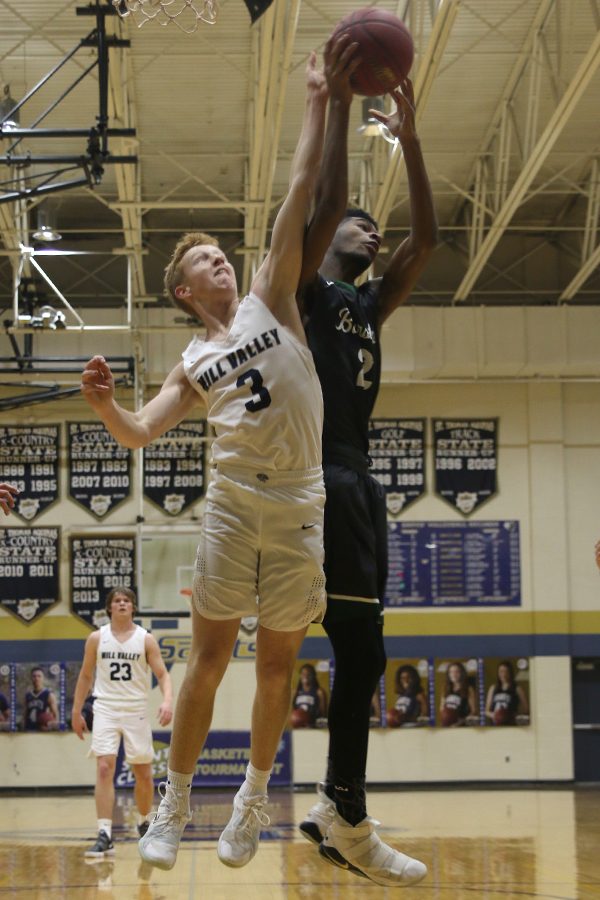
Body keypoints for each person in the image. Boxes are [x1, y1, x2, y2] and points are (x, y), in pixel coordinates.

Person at [80, 44, 346, 872]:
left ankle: (252, 799)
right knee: (207, 660)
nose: (218, 259)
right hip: (234, 501)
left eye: (219, 252)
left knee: (278, 665)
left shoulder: (274, 293)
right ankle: (175, 802)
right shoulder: (193, 362)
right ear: (183, 292)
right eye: (202, 260)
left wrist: (319, 98)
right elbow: (140, 433)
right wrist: (104, 407)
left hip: (301, 498)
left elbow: (300, 191)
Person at [295, 64, 436, 886]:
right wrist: (341, 107)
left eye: (373, 227)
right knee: (339, 646)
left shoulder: (368, 304)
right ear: (331, 236)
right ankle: (328, 803)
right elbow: (324, 201)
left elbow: (428, 243)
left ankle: (339, 802)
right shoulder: (311, 290)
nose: (372, 231)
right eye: (361, 223)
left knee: (365, 653)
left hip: (358, 481)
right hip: (320, 477)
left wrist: (412, 144)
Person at [71, 587, 173, 858]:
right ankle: (104, 833)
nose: (122, 603)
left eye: (127, 600)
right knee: (104, 767)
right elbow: (84, 676)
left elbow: (163, 674)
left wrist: (167, 701)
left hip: (136, 709)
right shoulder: (96, 638)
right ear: (110, 608)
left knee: (143, 773)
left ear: (133, 607)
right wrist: (76, 710)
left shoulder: (145, 639)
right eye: (117, 600)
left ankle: (143, 823)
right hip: (105, 707)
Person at [485, 660, 529, 726]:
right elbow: (486, 711)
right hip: (495, 724)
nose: (503, 674)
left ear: (510, 673)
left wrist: (511, 715)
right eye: (501, 672)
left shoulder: (517, 688)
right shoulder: (493, 688)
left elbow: (526, 709)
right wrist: (495, 715)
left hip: (511, 724)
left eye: (506, 671)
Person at [439, 661, 477, 726]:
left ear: (462, 673)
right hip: (447, 725)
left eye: (457, 672)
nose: (454, 674)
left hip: (462, 725)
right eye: (451, 672)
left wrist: (460, 722)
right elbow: (441, 708)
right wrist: (446, 717)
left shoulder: (468, 689)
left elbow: (473, 711)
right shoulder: (446, 688)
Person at [24, 666, 58, 731]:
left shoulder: (49, 694)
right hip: (29, 728)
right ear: (31, 678)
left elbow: (55, 716)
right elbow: (25, 715)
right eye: (34, 676)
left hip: (42, 730)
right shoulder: (27, 695)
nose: (36, 678)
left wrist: (49, 728)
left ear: (43, 678)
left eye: (39, 676)